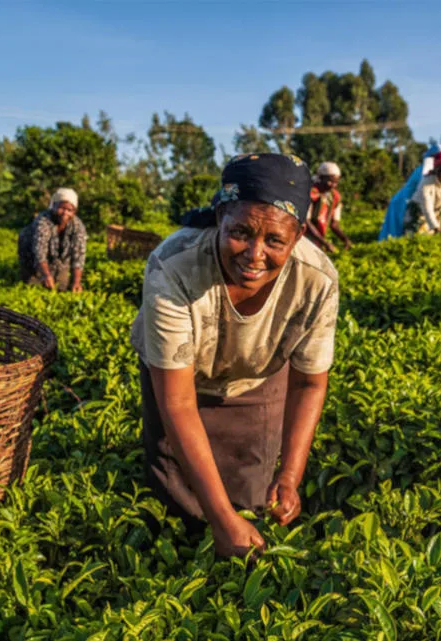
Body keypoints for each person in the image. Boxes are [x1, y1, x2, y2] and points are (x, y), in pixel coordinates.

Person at [130, 153, 339, 558]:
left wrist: (289, 476)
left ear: (298, 235)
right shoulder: (174, 266)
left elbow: (309, 384)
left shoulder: (316, 280)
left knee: (251, 493)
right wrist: (222, 520)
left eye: (275, 240)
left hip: (258, 377)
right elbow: (176, 402)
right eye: (240, 233)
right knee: (177, 500)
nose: (254, 255)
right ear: (220, 216)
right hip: (179, 381)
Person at [17, 188, 87, 292]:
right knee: (34, 286)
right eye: (61, 208)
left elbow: (79, 256)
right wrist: (46, 275)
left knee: (62, 287)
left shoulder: (78, 227)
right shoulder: (43, 221)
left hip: (59, 259)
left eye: (69, 210)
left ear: (74, 212)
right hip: (31, 255)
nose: (65, 213)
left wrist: (76, 282)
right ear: (53, 206)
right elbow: (39, 252)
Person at [379, 143, 441, 240]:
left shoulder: (433, 170)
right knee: (397, 232)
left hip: (407, 201)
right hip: (402, 202)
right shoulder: (425, 169)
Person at [304, 161, 353, 253]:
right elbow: (306, 222)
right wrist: (324, 243)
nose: (333, 185)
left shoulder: (334, 197)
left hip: (319, 239)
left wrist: (345, 239)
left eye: (336, 182)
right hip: (304, 238)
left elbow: (334, 224)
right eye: (330, 181)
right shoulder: (310, 194)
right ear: (321, 178)